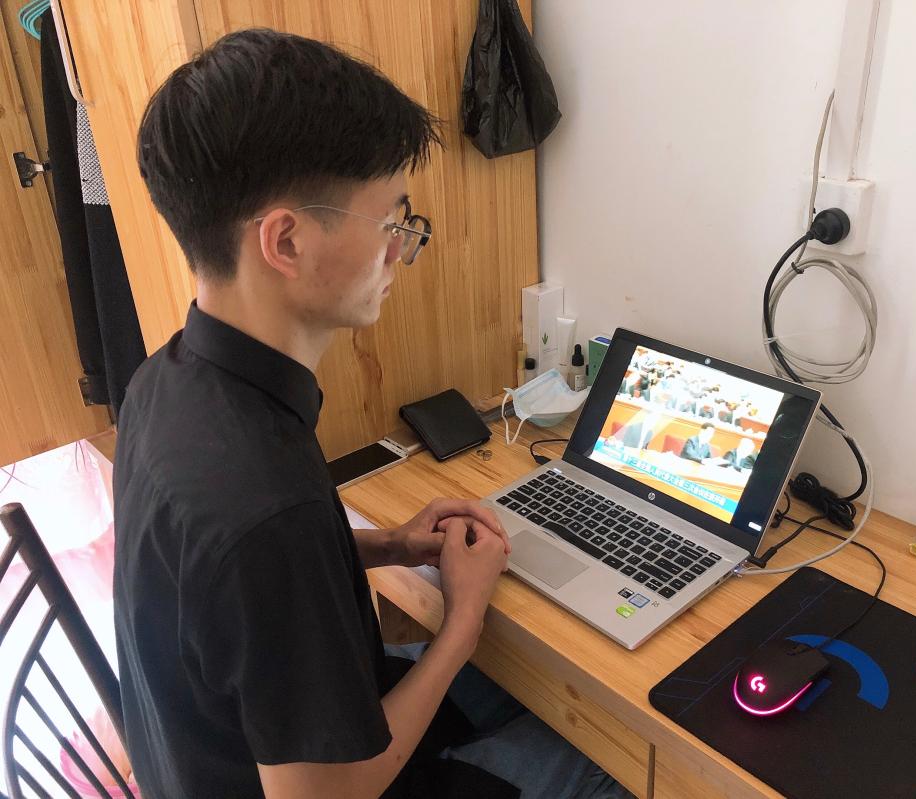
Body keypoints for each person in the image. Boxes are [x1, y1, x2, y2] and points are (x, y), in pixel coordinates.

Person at [114, 29, 627, 799]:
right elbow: (328, 795)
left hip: (221, 751)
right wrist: (463, 620)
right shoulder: (264, 504)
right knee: (611, 757)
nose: (400, 252)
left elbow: (243, 596)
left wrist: (390, 543)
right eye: (391, 222)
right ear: (286, 240)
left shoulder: (166, 382)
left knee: (536, 698)